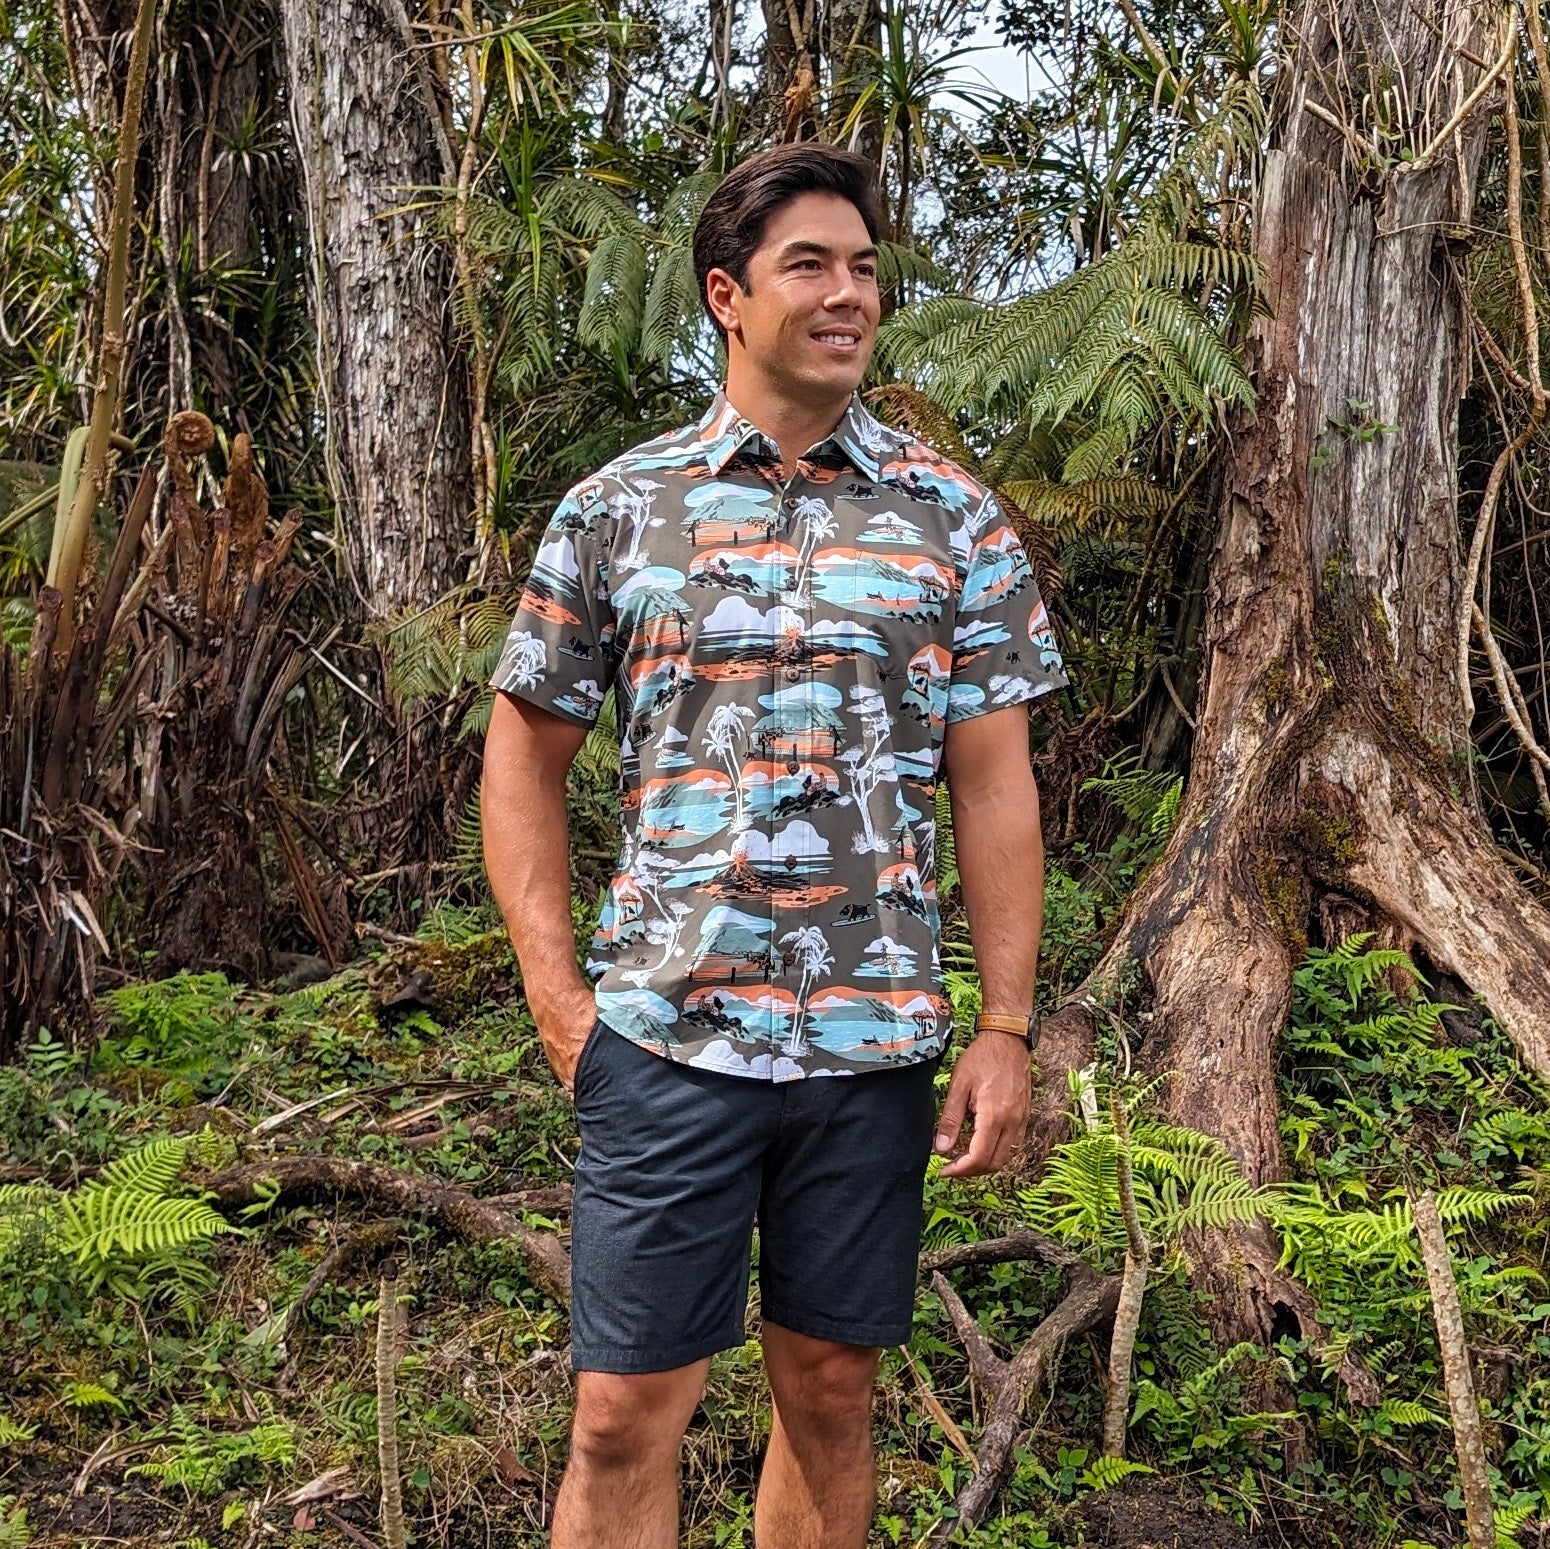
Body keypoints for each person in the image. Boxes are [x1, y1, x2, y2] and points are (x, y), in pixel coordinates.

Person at [482, 141, 1068, 1549]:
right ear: (726, 296)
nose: (847, 292)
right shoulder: (618, 510)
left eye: (863, 267)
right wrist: (559, 998)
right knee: (623, 1406)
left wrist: (1003, 1023)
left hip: (870, 1047)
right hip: (667, 1034)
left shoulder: (950, 518)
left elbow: (994, 787)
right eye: (810, 264)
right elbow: (521, 755)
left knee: (828, 1385)